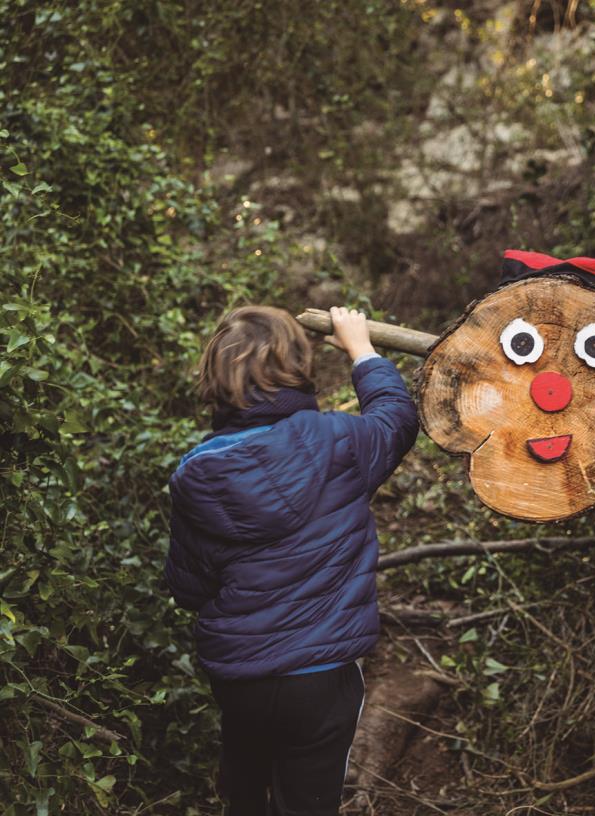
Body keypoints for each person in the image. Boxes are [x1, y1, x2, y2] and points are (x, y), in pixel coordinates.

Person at [164, 305, 418, 816]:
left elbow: (189, 588)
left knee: (245, 796)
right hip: (322, 678)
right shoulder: (340, 442)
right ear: (297, 364)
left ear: (214, 374)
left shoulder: (196, 475)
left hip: (241, 680)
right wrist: (361, 349)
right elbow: (396, 417)